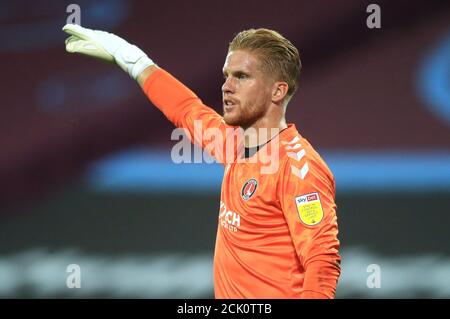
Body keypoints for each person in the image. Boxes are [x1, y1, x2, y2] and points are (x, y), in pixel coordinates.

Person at [62, 24, 341, 298]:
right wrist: (129, 57)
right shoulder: (234, 142)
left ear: (277, 91)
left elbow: (322, 261)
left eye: (242, 76)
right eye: (226, 75)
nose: (227, 87)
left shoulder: (299, 168)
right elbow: (185, 108)